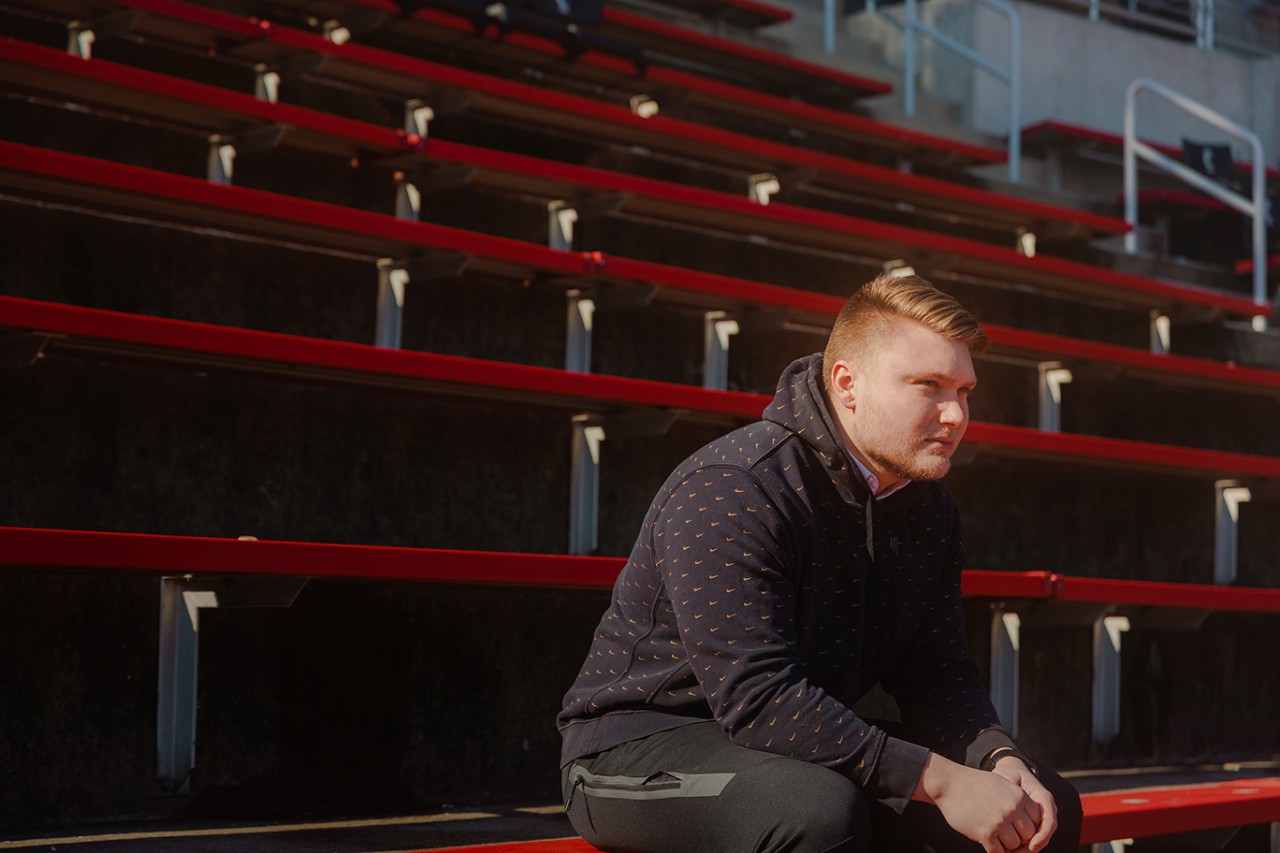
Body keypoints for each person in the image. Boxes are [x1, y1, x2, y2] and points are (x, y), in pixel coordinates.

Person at [556, 274, 1083, 853]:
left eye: (964, 391)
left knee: (1041, 808)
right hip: (635, 751)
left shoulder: (926, 505)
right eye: (929, 386)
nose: (956, 415)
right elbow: (758, 698)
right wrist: (940, 780)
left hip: (791, 748)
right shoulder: (735, 487)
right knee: (818, 813)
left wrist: (995, 759)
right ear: (847, 384)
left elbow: (937, 673)